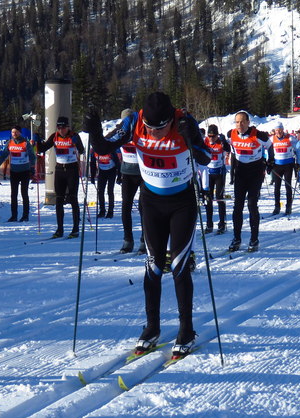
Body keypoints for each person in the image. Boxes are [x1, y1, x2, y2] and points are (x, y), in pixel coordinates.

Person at [84, 92, 211, 359]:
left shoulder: (184, 121)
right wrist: (94, 130)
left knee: (179, 265)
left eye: (159, 129)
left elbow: (205, 158)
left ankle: (186, 330)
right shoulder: (133, 122)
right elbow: (104, 148)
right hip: (151, 202)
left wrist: (192, 138)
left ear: (170, 120)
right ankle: (152, 327)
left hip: (182, 203)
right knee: (153, 265)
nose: (153, 133)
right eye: (150, 128)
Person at [225, 111, 270, 252]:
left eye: (242, 122)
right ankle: (236, 238)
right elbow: (231, 149)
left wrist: (270, 162)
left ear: (248, 122)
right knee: (237, 206)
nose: (240, 125)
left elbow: (270, 146)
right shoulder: (231, 134)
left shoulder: (258, 135)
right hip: (240, 173)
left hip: (255, 173)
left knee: (252, 205)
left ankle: (254, 239)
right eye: (237, 122)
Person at [106, 109, 146, 253]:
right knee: (126, 206)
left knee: (144, 207)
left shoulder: (142, 131)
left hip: (143, 173)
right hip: (127, 173)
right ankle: (128, 240)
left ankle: (144, 240)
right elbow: (107, 141)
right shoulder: (120, 132)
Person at [36, 117, 84, 238]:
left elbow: (82, 150)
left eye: (63, 127)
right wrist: (37, 141)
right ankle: (60, 229)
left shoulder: (74, 135)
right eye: (59, 127)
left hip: (72, 170)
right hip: (59, 170)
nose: (61, 130)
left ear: (68, 127)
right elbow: (42, 149)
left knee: (73, 198)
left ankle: (75, 228)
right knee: (59, 200)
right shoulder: (54, 136)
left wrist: (77, 143)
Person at [0, 125, 35, 222]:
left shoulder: (25, 143)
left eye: (16, 132)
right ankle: (14, 216)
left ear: (20, 132)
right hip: (14, 172)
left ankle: (25, 215)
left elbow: (32, 156)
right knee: (13, 194)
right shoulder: (9, 143)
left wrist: (32, 167)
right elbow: (4, 155)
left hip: (24, 171)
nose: (14, 134)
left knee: (24, 194)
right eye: (13, 132)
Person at [203, 124, 231, 231]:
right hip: (208, 174)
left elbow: (228, 149)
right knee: (208, 199)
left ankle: (222, 223)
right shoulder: (205, 141)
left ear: (217, 135)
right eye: (209, 136)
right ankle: (209, 224)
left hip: (219, 174)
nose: (211, 138)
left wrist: (225, 142)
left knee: (219, 198)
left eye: (213, 136)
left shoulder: (221, 142)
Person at [267, 122, 297, 216]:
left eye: (280, 130)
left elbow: (298, 149)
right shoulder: (272, 139)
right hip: (277, 165)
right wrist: (268, 163)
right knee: (277, 187)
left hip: (288, 164)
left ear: (283, 130)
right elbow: (267, 151)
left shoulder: (290, 138)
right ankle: (277, 207)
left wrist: (298, 162)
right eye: (277, 130)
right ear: (275, 131)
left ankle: (288, 206)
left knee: (288, 186)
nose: (279, 132)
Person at [90, 143, 120, 219]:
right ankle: (102, 211)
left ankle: (110, 211)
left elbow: (117, 162)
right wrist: (92, 176)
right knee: (100, 191)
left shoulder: (110, 150)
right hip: (102, 171)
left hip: (111, 171)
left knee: (110, 191)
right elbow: (93, 164)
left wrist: (119, 175)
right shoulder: (94, 151)